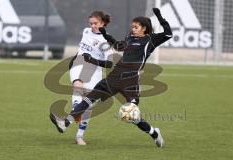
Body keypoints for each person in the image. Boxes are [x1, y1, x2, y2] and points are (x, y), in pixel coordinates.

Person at [50, 8, 172, 147]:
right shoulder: (130, 38)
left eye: (136, 27)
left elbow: (168, 34)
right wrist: (104, 33)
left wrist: (160, 17)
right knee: (89, 99)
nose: (133, 29)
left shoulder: (151, 40)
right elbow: (118, 46)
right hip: (114, 76)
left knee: (131, 116)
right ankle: (65, 123)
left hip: (130, 81)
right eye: (132, 27)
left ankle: (154, 133)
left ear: (144, 28)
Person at [68, 11, 113, 145]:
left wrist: (93, 60)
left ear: (103, 23)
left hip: (95, 71)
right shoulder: (86, 31)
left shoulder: (106, 41)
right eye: (91, 23)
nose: (92, 26)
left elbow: (109, 63)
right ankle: (74, 113)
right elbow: (81, 49)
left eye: (96, 23)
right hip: (79, 64)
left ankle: (79, 136)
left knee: (88, 105)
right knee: (77, 87)